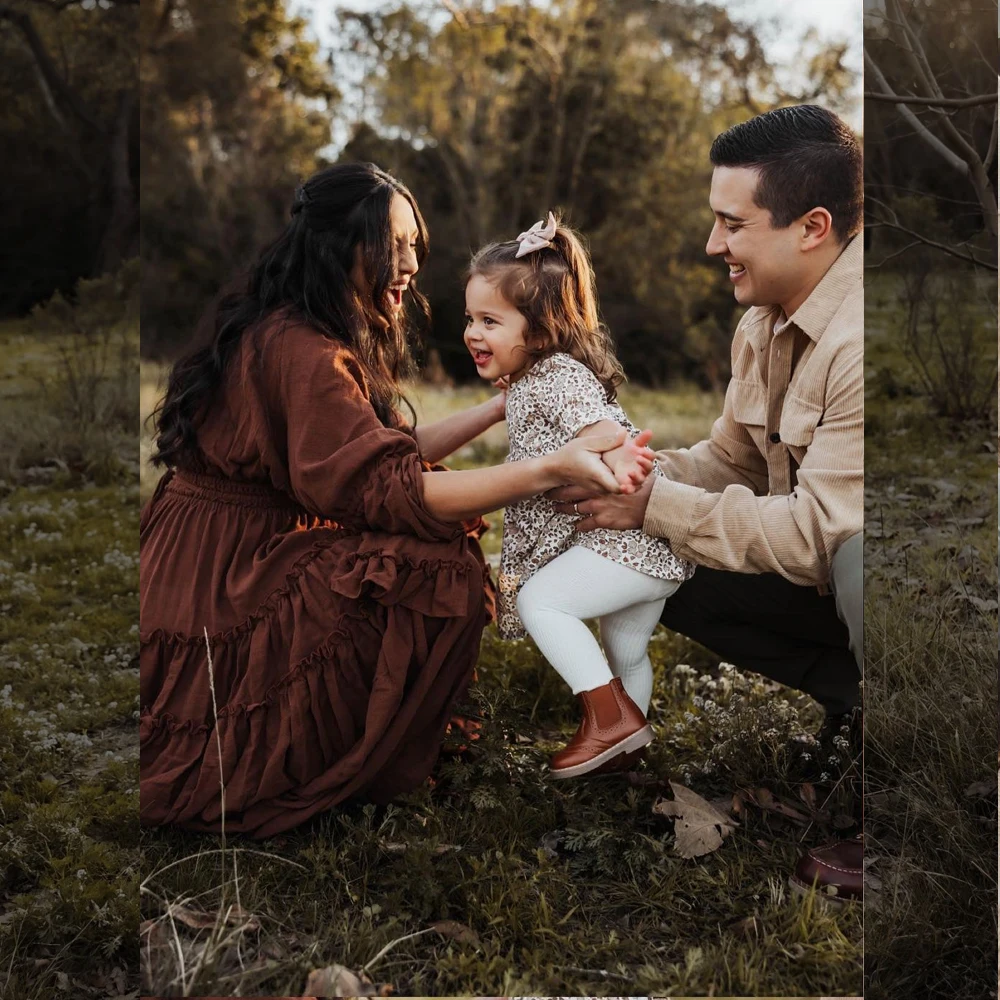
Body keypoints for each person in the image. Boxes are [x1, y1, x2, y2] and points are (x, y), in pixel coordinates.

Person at [140, 162, 638, 839]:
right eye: (391, 244)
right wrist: (546, 469)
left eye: (413, 244)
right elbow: (391, 487)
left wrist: (496, 413)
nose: (408, 263)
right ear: (339, 244)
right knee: (435, 564)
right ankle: (360, 756)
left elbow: (385, 446)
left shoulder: (294, 324)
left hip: (204, 546)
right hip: (227, 570)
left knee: (427, 540)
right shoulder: (301, 348)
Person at [550, 105, 864, 903]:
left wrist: (654, 505)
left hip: (906, 593)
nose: (711, 245)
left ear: (813, 227)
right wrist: (623, 474)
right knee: (662, 562)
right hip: (832, 583)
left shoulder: (863, 340)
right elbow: (730, 459)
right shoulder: (762, 322)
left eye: (732, 224)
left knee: (864, 555)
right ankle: (858, 705)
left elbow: (817, 535)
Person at [463, 212, 694, 778]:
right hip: (639, 550)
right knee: (627, 653)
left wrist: (615, 457)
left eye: (490, 320)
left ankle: (609, 722)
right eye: (469, 318)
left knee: (544, 601)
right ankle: (626, 751)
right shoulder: (536, 379)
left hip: (623, 547)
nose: (472, 332)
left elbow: (599, 431)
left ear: (538, 334)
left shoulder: (558, 375)